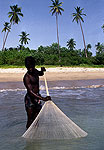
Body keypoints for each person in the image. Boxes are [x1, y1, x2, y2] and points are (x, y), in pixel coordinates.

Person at [23, 56, 51, 129]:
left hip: (37, 98)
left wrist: (42, 70)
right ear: (26, 67)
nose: (30, 69)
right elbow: (30, 91)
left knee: (37, 118)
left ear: (34, 65)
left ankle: (35, 132)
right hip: (30, 99)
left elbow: (41, 74)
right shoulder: (26, 77)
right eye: (29, 68)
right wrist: (43, 98)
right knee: (30, 119)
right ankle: (28, 134)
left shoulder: (35, 71)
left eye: (32, 67)